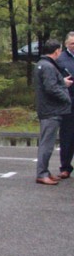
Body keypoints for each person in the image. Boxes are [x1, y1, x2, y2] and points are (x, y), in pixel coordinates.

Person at [33, 39, 73, 185]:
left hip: (47, 108)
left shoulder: (42, 64)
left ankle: (45, 171)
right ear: (57, 51)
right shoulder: (48, 66)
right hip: (51, 110)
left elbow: (50, 84)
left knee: (47, 142)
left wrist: (62, 82)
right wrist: (66, 97)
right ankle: (42, 173)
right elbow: (51, 88)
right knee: (47, 144)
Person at [55, 31, 74, 178]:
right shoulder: (60, 59)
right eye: (72, 43)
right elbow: (53, 80)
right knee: (67, 136)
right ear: (66, 44)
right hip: (68, 103)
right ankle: (65, 167)